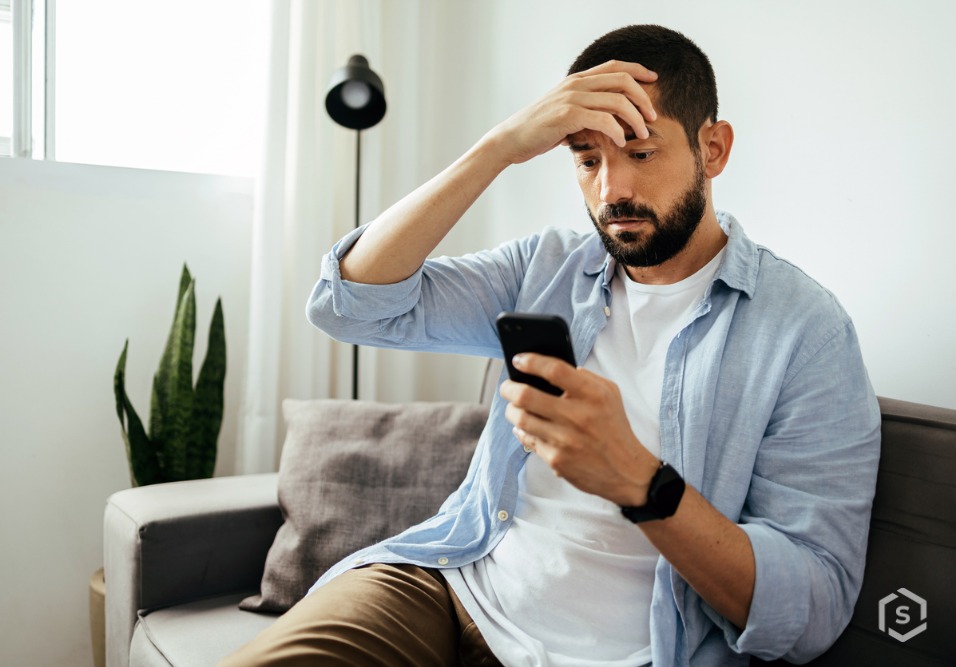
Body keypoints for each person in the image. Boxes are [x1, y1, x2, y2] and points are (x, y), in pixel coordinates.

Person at [223, 24, 881, 667]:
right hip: (453, 584)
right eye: (588, 159)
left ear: (713, 149)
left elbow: (812, 611)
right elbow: (351, 303)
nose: (610, 190)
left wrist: (638, 481)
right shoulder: (548, 269)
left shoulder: (806, 332)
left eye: (641, 153)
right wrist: (501, 146)